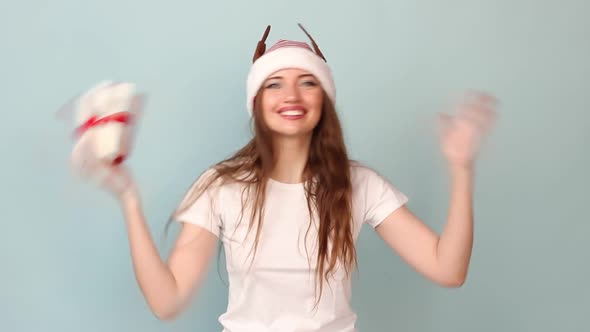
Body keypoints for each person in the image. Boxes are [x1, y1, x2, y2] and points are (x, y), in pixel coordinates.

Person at [94, 24, 496, 332]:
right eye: (274, 83)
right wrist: (129, 200)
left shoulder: (360, 185)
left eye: (307, 82)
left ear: (325, 98)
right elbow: (168, 301)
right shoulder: (221, 186)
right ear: (257, 101)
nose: (292, 95)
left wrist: (461, 168)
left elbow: (448, 269)